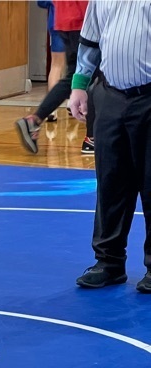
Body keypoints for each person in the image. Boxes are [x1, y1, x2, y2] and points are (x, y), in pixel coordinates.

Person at [68, 0, 151, 293]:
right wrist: (79, 85)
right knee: (110, 182)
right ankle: (108, 262)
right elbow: (90, 39)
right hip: (110, 95)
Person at [14, 0, 88, 154]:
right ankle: (93, 137)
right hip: (79, 21)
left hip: (64, 20)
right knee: (84, 76)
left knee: (76, 75)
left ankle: (35, 119)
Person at [37, 0, 65, 122]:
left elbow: (41, 2)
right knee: (78, 64)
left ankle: (52, 109)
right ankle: (75, 102)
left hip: (56, 23)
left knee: (56, 66)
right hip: (77, 24)